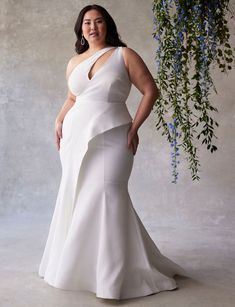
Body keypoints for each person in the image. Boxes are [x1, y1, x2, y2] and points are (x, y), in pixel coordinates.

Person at [38, 4, 187, 300]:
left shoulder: (124, 55)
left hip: (113, 135)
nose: (93, 27)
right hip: (75, 138)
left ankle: (113, 279)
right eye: (87, 23)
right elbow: (73, 96)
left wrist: (134, 128)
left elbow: (150, 91)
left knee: (108, 195)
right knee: (78, 195)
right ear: (81, 29)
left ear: (108, 25)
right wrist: (58, 119)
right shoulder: (74, 62)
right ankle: (85, 269)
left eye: (99, 21)